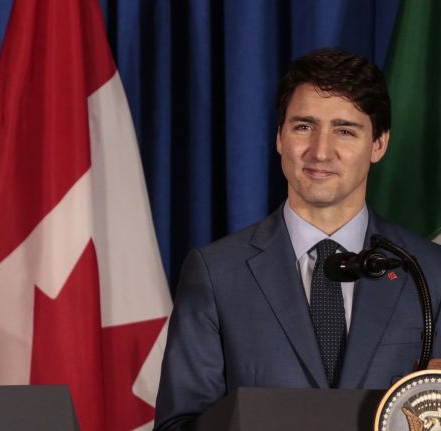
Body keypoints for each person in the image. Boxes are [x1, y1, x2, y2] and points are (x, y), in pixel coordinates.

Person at [154, 48, 441, 429]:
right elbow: (178, 425)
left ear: (379, 144)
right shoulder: (216, 273)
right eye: (303, 126)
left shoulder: (429, 272)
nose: (320, 152)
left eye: (344, 130)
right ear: (279, 137)